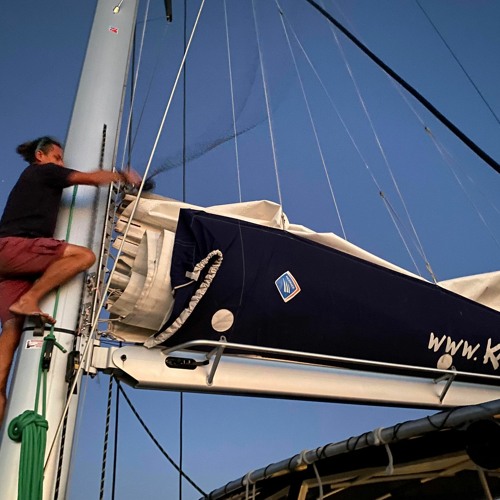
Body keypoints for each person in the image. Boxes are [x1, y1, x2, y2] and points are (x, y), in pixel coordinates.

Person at [0, 136, 141, 426]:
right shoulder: (43, 171)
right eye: (58, 158)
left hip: (8, 263)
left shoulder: (32, 178)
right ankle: (31, 299)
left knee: (11, 333)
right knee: (83, 257)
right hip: (15, 247)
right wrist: (121, 175)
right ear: (41, 156)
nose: (61, 164)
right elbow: (87, 178)